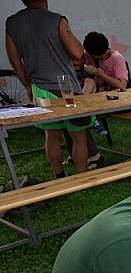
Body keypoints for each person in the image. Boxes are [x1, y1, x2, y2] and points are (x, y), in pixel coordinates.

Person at [5, 0, 92, 176]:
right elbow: (77, 53)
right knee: (79, 136)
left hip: (38, 87)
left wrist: (27, 86)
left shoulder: (12, 23)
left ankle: (59, 174)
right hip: (66, 88)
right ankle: (80, 177)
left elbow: (14, 60)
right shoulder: (57, 19)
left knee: (51, 135)